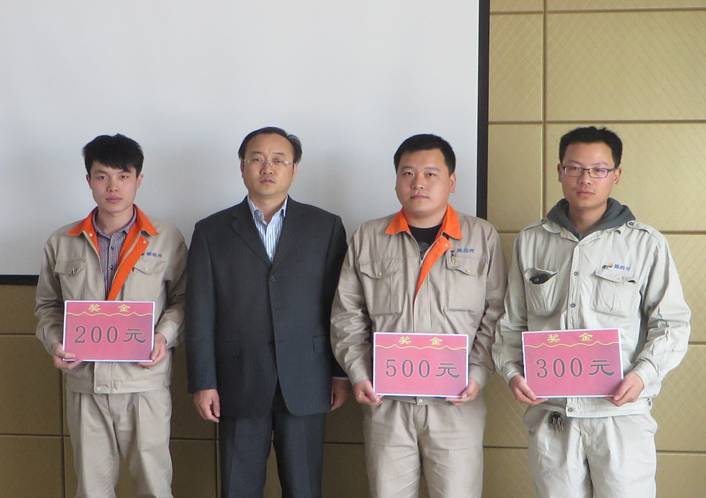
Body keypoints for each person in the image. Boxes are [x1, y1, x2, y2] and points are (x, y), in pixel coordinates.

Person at [493, 126, 691, 498]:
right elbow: (511, 324)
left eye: (599, 170)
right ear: (559, 171)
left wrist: (643, 375)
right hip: (554, 415)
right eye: (574, 168)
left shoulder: (645, 244)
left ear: (616, 175)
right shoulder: (531, 241)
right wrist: (511, 372)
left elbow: (672, 325)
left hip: (619, 415)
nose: (585, 179)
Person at [330, 134, 506, 498]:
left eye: (430, 174)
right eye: (408, 173)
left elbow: (496, 314)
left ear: (451, 182)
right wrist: (359, 374)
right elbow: (347, 316)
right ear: (396, 180)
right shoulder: (368, 237)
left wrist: (476, 374)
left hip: (457, 403)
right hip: (386, 403)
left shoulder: (482, 237)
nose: (418, 183)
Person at [185, 126, 349, 498]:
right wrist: (203, 381)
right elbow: (200, 313)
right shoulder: (211, 231)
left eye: (279, 160)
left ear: (294, 169)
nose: (267, 168)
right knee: (237, 488)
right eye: (257, 159)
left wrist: (339, 373)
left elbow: (339, 307)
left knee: (304, 488)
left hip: (307, 377)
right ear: (242, 167)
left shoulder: (325, 227)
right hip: (237, 378)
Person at [35, 133, 187, 498]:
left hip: (144, 383)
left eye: (123, 176)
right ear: (88, 180)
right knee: (91, 489)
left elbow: (183, 301)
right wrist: (55, 342)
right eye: (102, 176)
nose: (113, 187)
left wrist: (163, 336)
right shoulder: (62, 241)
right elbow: (47, 307)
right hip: (85, 384)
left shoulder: (165, 239)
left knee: (154, 486)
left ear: (138, 180)